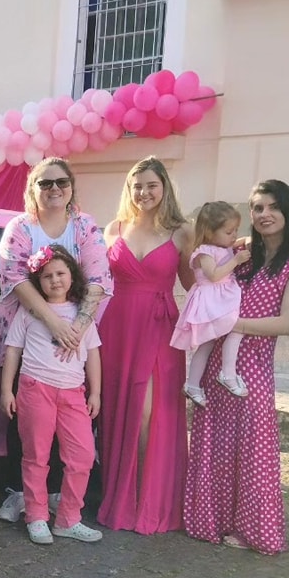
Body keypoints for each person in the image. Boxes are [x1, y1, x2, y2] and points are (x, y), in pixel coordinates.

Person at [0, 158, 112, 523]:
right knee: (25, 424)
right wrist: (54, 324)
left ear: (71, 187)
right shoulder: (20, 227)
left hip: (73, 342)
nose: (54, 188)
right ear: (33, 189)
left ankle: (57, 497)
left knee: (69, 427)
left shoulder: (85, 226)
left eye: (61, 182)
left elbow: (98, 278)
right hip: (28, 337)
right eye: (45, 183)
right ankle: (20, 494)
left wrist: (75, 329)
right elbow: (14, 278)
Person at [185, 179, 289, 555]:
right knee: (215, 447)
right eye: (258, 208)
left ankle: (254, 532)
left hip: (252, 369)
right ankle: (211, 521)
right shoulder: (240, 250)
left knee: (252, 452)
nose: (265, 214)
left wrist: (232, 325)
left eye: (273, 207)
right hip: (217, 362)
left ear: (288, 210)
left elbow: (287, 324)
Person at [97, 157, 193, 534]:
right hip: (117, 328)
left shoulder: (181, 232)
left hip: (159, 328)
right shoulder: (114, 228)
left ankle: (148, 499)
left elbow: (195, 285)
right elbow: (96, 281)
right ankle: (119, 497)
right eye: (137, 186)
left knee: (148, 414)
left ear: (164, 187)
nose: (144, 192)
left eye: (151, 185)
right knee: (116, 411)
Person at [1, 246, 102, 545]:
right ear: (38, 281)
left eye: (60, 273)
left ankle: (69, 519)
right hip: (36, 389)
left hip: (73, 393)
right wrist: (6, 390)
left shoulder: (82, 315)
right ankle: (36, 516)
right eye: (47, 276)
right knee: (36, 455)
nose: (55, 280)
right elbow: (13, 350)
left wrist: (96, 392)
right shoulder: (29, 312)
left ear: (72, 276)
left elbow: (93, 354)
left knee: (83, 456)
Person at [171, 201, 251, 403]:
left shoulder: (223, 245)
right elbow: (214, 275)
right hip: (211, 300)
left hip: (221, 298)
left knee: (221, 337)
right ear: (209, 232)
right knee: (230, 331)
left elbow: (240, 241)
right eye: (229, 232)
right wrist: (236, 261)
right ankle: (224, 375)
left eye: (235, 230)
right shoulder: (205, 251)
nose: (233, 235)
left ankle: (195, 384)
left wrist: (248, 240)